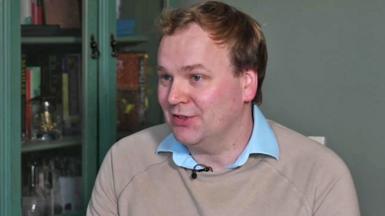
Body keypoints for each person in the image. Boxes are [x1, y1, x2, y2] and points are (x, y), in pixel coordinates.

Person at [87, 1, 360, 215]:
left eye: (196, 77)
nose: (173, 97)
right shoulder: (123, 162)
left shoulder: (321, 177)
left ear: (247, 84)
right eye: (166, 77)